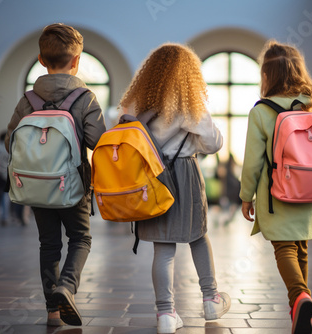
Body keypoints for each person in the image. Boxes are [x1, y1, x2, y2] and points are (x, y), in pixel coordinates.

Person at [120, 43, 230, 334]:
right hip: (184, 174)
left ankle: (166, 315)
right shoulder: (188, 103)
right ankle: (210, 300)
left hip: (153, 177)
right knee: (198, 236)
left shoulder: (140, 105)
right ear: (188, 74)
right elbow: (214, 143)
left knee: (164, 248)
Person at [5, 23, 106, 327]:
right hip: (73, 184)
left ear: (40, 59)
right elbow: (98, 142)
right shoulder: (85, 98)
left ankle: (52, 311)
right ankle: (67, 286)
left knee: (48, 244)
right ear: (77, 60)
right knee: (80, 238)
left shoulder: (28, 100)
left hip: (36, 185)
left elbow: (12, 139)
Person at [240, 40, 312, 334]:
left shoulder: (262, 112)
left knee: (284, 248)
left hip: (277, 194)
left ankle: (299, 297)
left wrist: (246, 196)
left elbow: (253, 162)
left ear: (267, 74)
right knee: (301, 247)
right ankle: (300, 312)